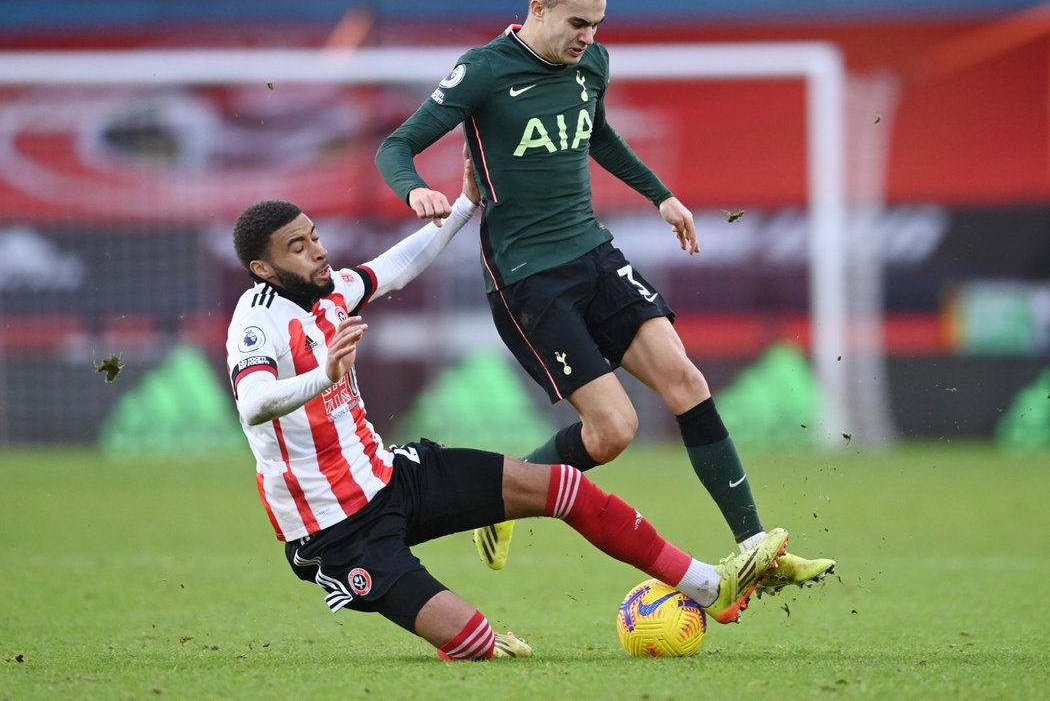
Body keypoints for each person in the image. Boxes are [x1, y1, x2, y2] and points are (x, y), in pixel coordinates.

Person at [374, 0, 834, 594]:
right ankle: (501, 499)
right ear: (538, 9)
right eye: (578, 24)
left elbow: (598, 134)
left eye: (597, 25)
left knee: (686, 379)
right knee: (615, 431)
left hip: (594, 252)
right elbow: (396, 145)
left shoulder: (592, 62)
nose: (589, 38)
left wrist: (660, 193)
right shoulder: (482, 71)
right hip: (528, 279)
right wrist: (414, 190)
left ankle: (756, 547)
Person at [225, 155, 789, 660]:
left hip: (391, 475)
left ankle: (710, 588)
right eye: (297, 248)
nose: (318, 250)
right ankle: (455, 629)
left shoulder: (330, 291)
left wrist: (468, 202)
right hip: (335, 528)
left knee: (564, 489)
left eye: (314, 236)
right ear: (263, 269)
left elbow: (396, 265)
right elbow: (252, 406)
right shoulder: (256, 322)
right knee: (474, 642)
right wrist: (322, 378)